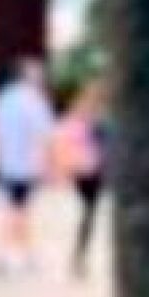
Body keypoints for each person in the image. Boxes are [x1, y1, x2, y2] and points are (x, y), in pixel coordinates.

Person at [0, 59, 55, 276]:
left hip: (7, 163)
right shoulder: (35, 101)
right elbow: (45, 135)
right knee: (17, 210)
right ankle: (3, 256)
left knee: (19, 209)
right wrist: (47, 164)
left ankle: (27, 255)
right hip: (26, 164)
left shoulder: (1, 99)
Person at [54, 81, 107, 278]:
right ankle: (78, 257)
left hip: (90, 170)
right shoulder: (85, 120)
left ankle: (79, 257)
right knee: (87, 214)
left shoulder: (85, 118)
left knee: (88, 214)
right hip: (88, 170)